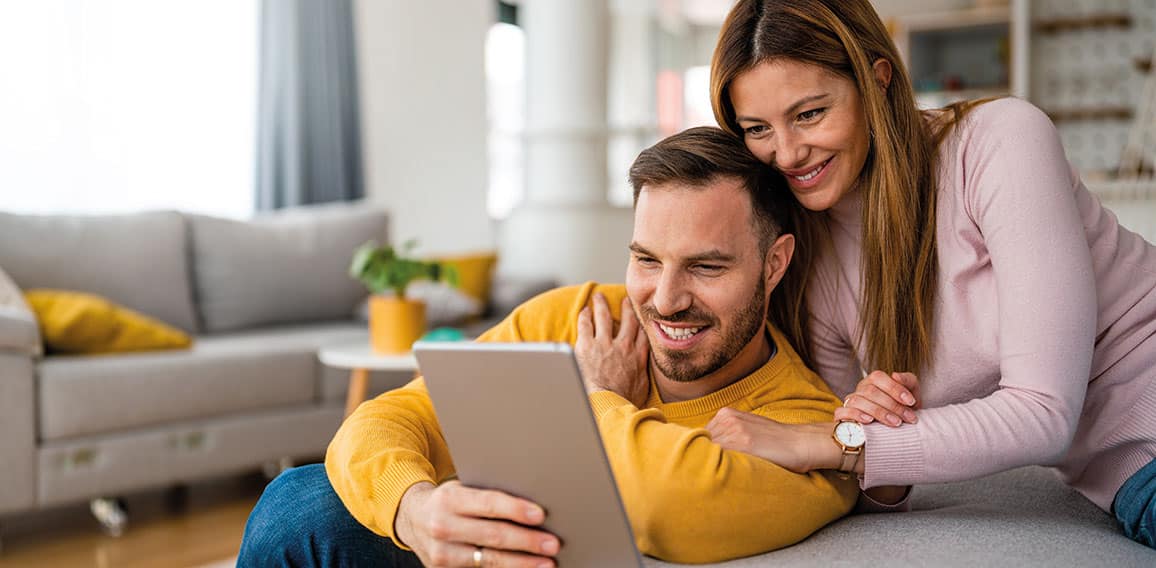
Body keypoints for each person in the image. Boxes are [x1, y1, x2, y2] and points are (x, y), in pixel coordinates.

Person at [237, 127, 859, 567]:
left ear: (774, 264)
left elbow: (658, 507)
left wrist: (601, 397)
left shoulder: (804, 424)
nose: (665, 300)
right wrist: (415, 511)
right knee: (299, 501)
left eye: (706, 267)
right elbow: (391, 418)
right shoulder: (581, 316)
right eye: (646, 259)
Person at [699, 0, 1156, 548]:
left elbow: (1045, 413)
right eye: (757, 129)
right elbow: (878, 487)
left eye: (810, 113)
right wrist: (865, 429)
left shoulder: (999, 142)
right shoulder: (805, 259)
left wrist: (831, 441)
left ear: (878, 82)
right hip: (1132, 476)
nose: (788, 153)